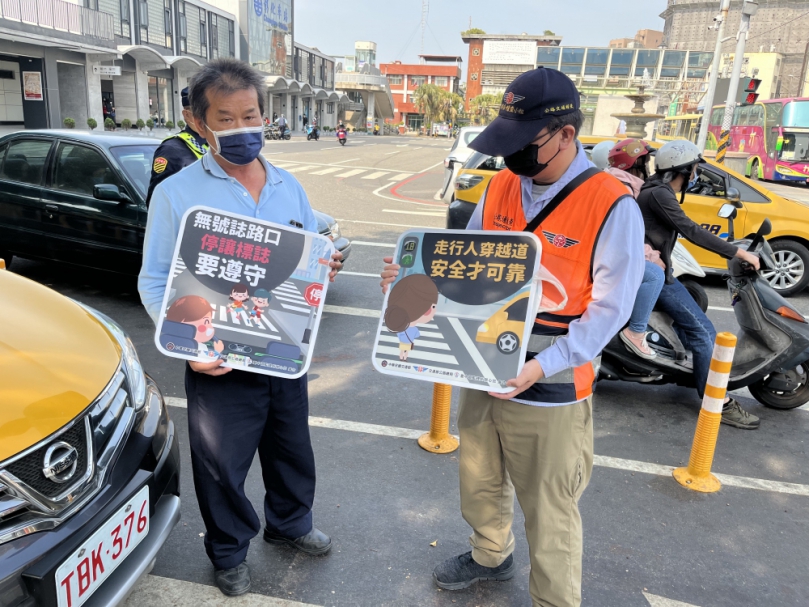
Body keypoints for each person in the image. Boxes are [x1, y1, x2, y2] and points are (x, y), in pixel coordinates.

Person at [380, 67, 645, 607]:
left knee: (550, 507)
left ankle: (554, 600)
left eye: (524, 141)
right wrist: (410, 279)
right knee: (480, 480)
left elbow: (609, 312)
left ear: (566, 135)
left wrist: (542, 366)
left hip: (550, 383)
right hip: (483, 365)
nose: (510, 155)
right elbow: (466, 268)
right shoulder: (502, 184)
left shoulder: (611, 204)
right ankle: (489, 554)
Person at [138, 57, 344, 597]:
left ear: (264, 113)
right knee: (221, 464)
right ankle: (229, 550)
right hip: (218, 357)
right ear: (199, 123)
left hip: (282, 348)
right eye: (225, 119)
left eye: (250, 115)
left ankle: (290, 524)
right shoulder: (177, 192)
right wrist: (188, 345)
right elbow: (155, 280)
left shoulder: (287, 186)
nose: (241, 128)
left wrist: (324, 265)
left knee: (290, 447)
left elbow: (308, 255)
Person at [636, 139, 761, 429]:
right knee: (705, 333)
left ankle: (689, 370)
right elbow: (690, 229)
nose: (695, 175)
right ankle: (716, 401)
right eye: (693, 169)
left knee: (693, 315)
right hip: (655, 275)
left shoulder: (655, 190)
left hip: (656, 269)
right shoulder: (659, 194)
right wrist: (739, 253)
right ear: (683, 170)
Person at [606, 138, 665, 359]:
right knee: (655, 275)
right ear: (635, 164)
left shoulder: (613, 182)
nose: (648, 167)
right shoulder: (624, 191)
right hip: (607, 255)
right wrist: (651, 256)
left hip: (603, 250)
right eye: (645, 162)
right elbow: (626, 237)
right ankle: (636, 332)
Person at [146, 86, 210, 205]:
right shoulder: (171, 150)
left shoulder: (215, 144)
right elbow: (158, 202)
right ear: (187, 115)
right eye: (203, 112)